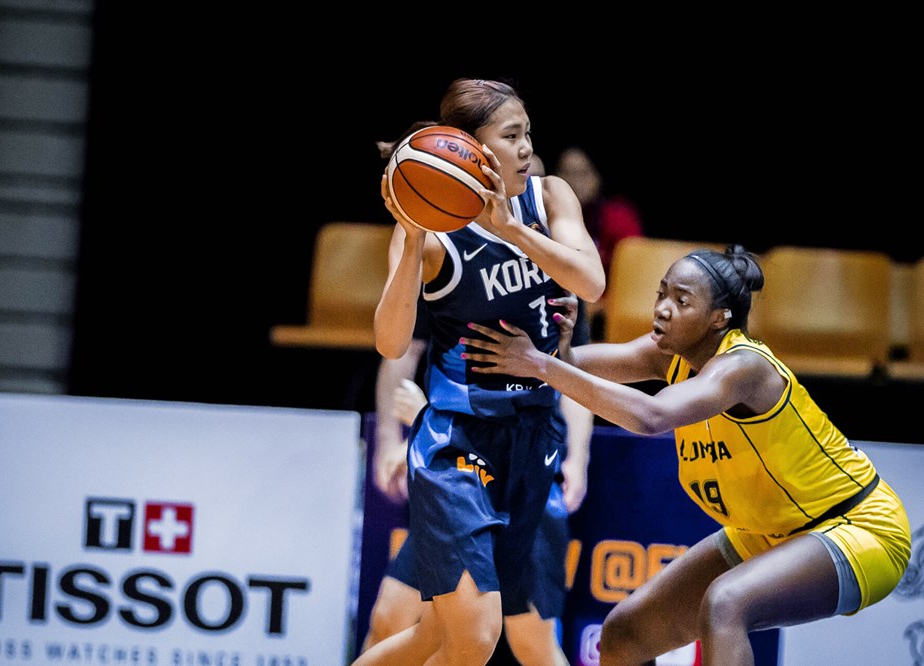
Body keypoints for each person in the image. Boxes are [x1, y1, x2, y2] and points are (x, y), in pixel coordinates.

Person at [461, 244, 912, 665]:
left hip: (857, 526)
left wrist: (543, 365)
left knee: (726, 603)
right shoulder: (667, 355)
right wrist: (555, 348)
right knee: (624, 633)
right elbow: (578, 365)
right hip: (768, 531)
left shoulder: (744, 368)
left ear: (719, 318)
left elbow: (651, 417)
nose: (661, 308)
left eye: (681, 300)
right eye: (660, 294)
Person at [357, 77, 606, 665]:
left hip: (533, 438)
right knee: (468, 636)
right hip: (459, 442)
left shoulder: (550, 198)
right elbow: (392, 344)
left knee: (440, 637)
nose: (526, 148)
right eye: (512, 136)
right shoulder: (433, 229)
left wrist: (513, 231)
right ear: (469, 150)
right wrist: (412, 242)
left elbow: (591, 281)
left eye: (528, 135)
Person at [363, 321, 593, 663]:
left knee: (531, 644)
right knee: (392, 620)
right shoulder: (445, 271)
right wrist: (396, 438)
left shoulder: (563, 278)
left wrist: (579, 457)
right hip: (457, 481)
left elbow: (576, 368)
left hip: (527, 477)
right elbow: (402, 347)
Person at [554, 146, 644, 342]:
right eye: (566, 172)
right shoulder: (548, 217)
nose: (573, 182)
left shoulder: (619, 217)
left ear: (598, 176)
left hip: (602, 310)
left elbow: (633, 279)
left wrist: (598, 302)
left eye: (582, 173)